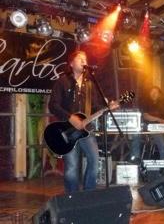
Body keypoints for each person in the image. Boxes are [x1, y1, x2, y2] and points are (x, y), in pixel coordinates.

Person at [49, 50, 116, 193]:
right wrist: (70, 117)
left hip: (86, 129)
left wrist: (108, 107)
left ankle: (88, 193)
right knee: (72, 166)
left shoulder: (90, 84)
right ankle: (72, 197)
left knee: (94, 159)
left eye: (85, 58)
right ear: (72, 64)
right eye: (80, 58)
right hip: (66, 130)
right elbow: (53, 105)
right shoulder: (62, 81)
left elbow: (95, 107)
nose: (84, 61)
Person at [130, 86, 164, 162]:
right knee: (136, 134)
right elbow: (146, 116)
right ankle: (135, 161)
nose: (153, 94)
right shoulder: (146, 102)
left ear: (159, 94)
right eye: (152, 92)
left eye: (155, 92)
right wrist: (159, 120)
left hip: (159, 127)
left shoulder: (163, 104)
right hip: (148, 126)